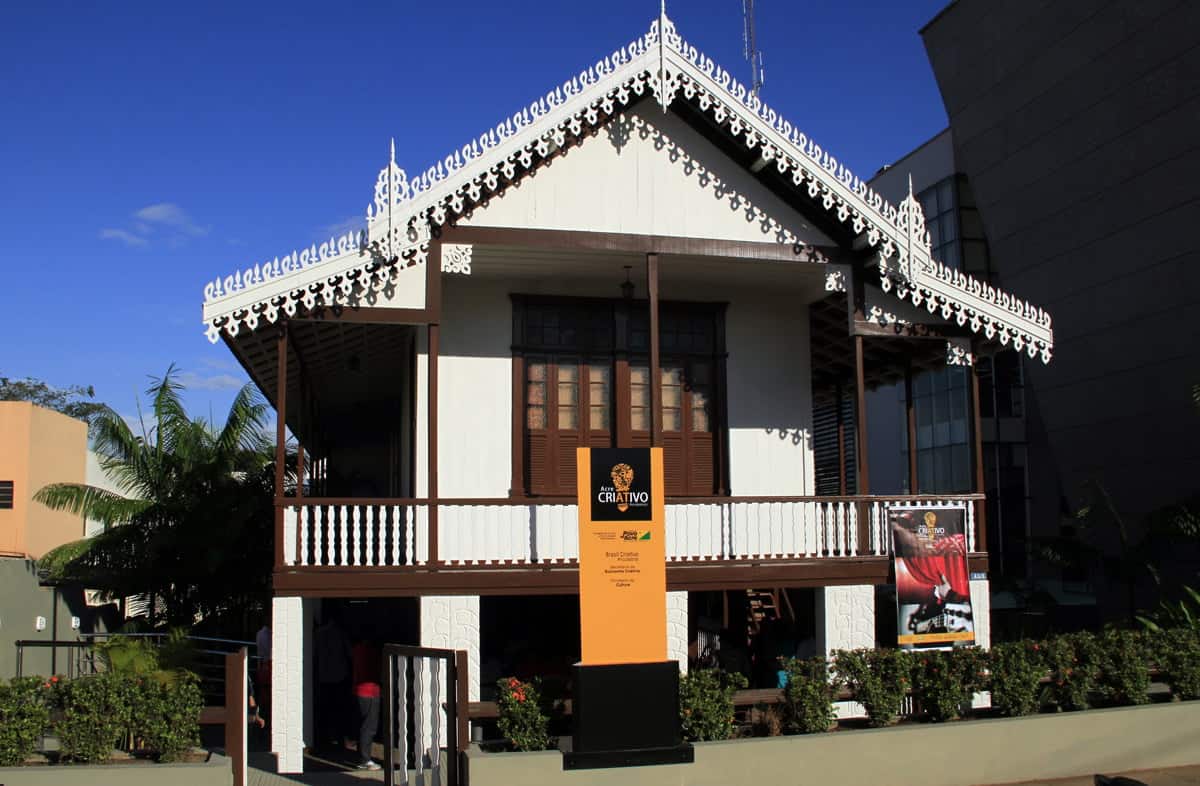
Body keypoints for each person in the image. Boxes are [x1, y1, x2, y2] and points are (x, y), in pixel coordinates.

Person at [314, 609, 352, 751]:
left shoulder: (319, 633)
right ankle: (341, 739)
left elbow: (315, 653)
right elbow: (349, 653)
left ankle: (324, 738)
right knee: (340, 709)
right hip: (339, 676)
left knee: (325, 708)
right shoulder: (341, 633)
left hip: (324, 676)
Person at [351, 637, 382, 771]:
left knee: (363, 725)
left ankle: (363, 757)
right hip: (370, 691)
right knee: (369, 727)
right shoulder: (371, 652)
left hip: (359, 690)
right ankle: (365, 759)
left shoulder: (357, 650)